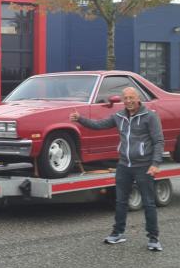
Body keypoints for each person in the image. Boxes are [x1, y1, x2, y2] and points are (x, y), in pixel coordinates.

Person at [70, 86, 165, 252]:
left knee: (149, 203)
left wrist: (155, 163)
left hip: (144, 166)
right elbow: (98, 125)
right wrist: (80, 119)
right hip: (124, 165)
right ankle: (118, 233)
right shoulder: (119, 116)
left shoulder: (150, 116)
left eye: (131, 98)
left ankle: (153, 238)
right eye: (125, 98)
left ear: (138, 99)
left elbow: (158, 141)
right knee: (121, 201)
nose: (128, 101)